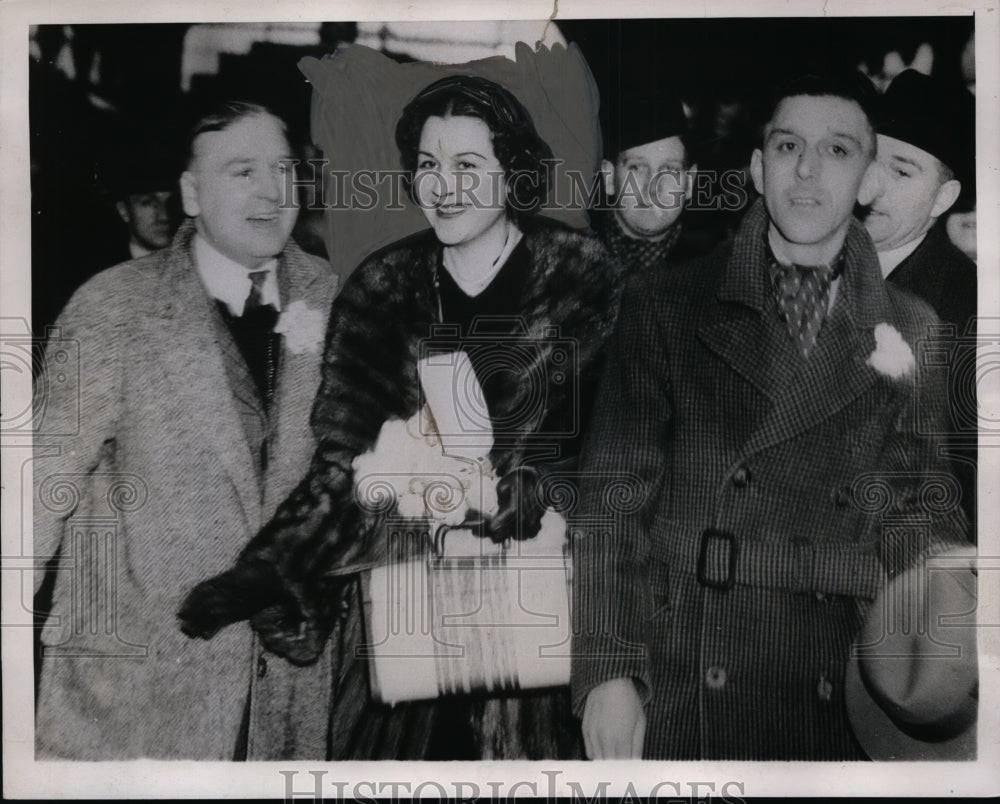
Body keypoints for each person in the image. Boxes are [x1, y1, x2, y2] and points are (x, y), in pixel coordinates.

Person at [179, 76, 619, 760]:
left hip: (549, 630)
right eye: (429, 166)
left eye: (468, 166)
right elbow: (342, 463)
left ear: (515, 172)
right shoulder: (382, 288)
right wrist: (274, 566)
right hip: (413, 629)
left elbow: (623, 455)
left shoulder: (583, 280)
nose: (445, 186)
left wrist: (534, 491)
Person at [571, 74, 972, 760]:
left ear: (869, 178)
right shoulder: (665, 304)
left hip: (841, 674)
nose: (809, 171)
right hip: (685, 664)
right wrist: (609, 668)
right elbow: (614, 500)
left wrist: (940, 624)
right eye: (789, 146)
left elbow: (916, 505)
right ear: (758, 168)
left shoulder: (914, 327)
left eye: (839, 151)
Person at [33, 101, 340, 760]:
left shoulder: (336, 298)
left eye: (283, 169)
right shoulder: (112, 305)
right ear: (191, 193)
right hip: (134, 703)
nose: (271, 190)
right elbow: (33, 492)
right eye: (242, 171)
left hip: (284, 707)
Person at [862, 69, 977, 525]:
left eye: (901, 170)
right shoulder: (812, 262)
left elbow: (967, 486)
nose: (872, 186)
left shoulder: (968, 309)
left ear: (942, 198)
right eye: (869, 161)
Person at [594, 81, 698, 276]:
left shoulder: (719, 272)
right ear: (609, 178)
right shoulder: (561, 261)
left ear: (689, 183)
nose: (652, 189)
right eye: (637, 168)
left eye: (670, 170)